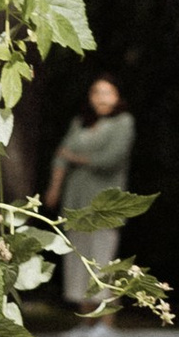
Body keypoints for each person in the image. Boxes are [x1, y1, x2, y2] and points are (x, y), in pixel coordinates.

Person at [46, 74, 137, 316]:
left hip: (105, 203)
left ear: (117, 96)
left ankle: (106, 322)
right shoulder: (80, 123)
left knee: (102, 261)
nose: (101, 98)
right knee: (78, 260)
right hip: (76, 201)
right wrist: (54, 187)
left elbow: (111, 159)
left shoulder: (123, 122)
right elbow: (59, 155)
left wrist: (74, 157)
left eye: (107, 92)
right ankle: (85, 320)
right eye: (96, 92)